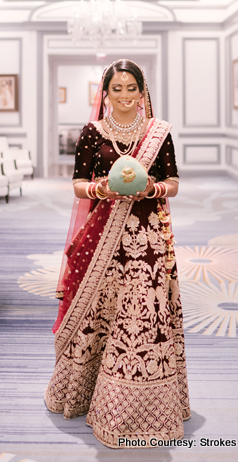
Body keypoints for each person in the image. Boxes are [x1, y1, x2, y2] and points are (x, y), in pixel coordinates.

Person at [45, 59, 190, 448]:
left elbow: (173, 182)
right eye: (116, 89)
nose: (124, 96)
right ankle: (88, 392)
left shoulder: (159, 133)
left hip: (148, 241)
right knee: (100, 313)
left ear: (143, 92)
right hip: (101, 239)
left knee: (142, 316)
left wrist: (152, 190)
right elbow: (77, 184)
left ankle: (140, 402)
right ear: (105, 93)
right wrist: (102, 191)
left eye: (132, 88)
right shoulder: (93, 133)